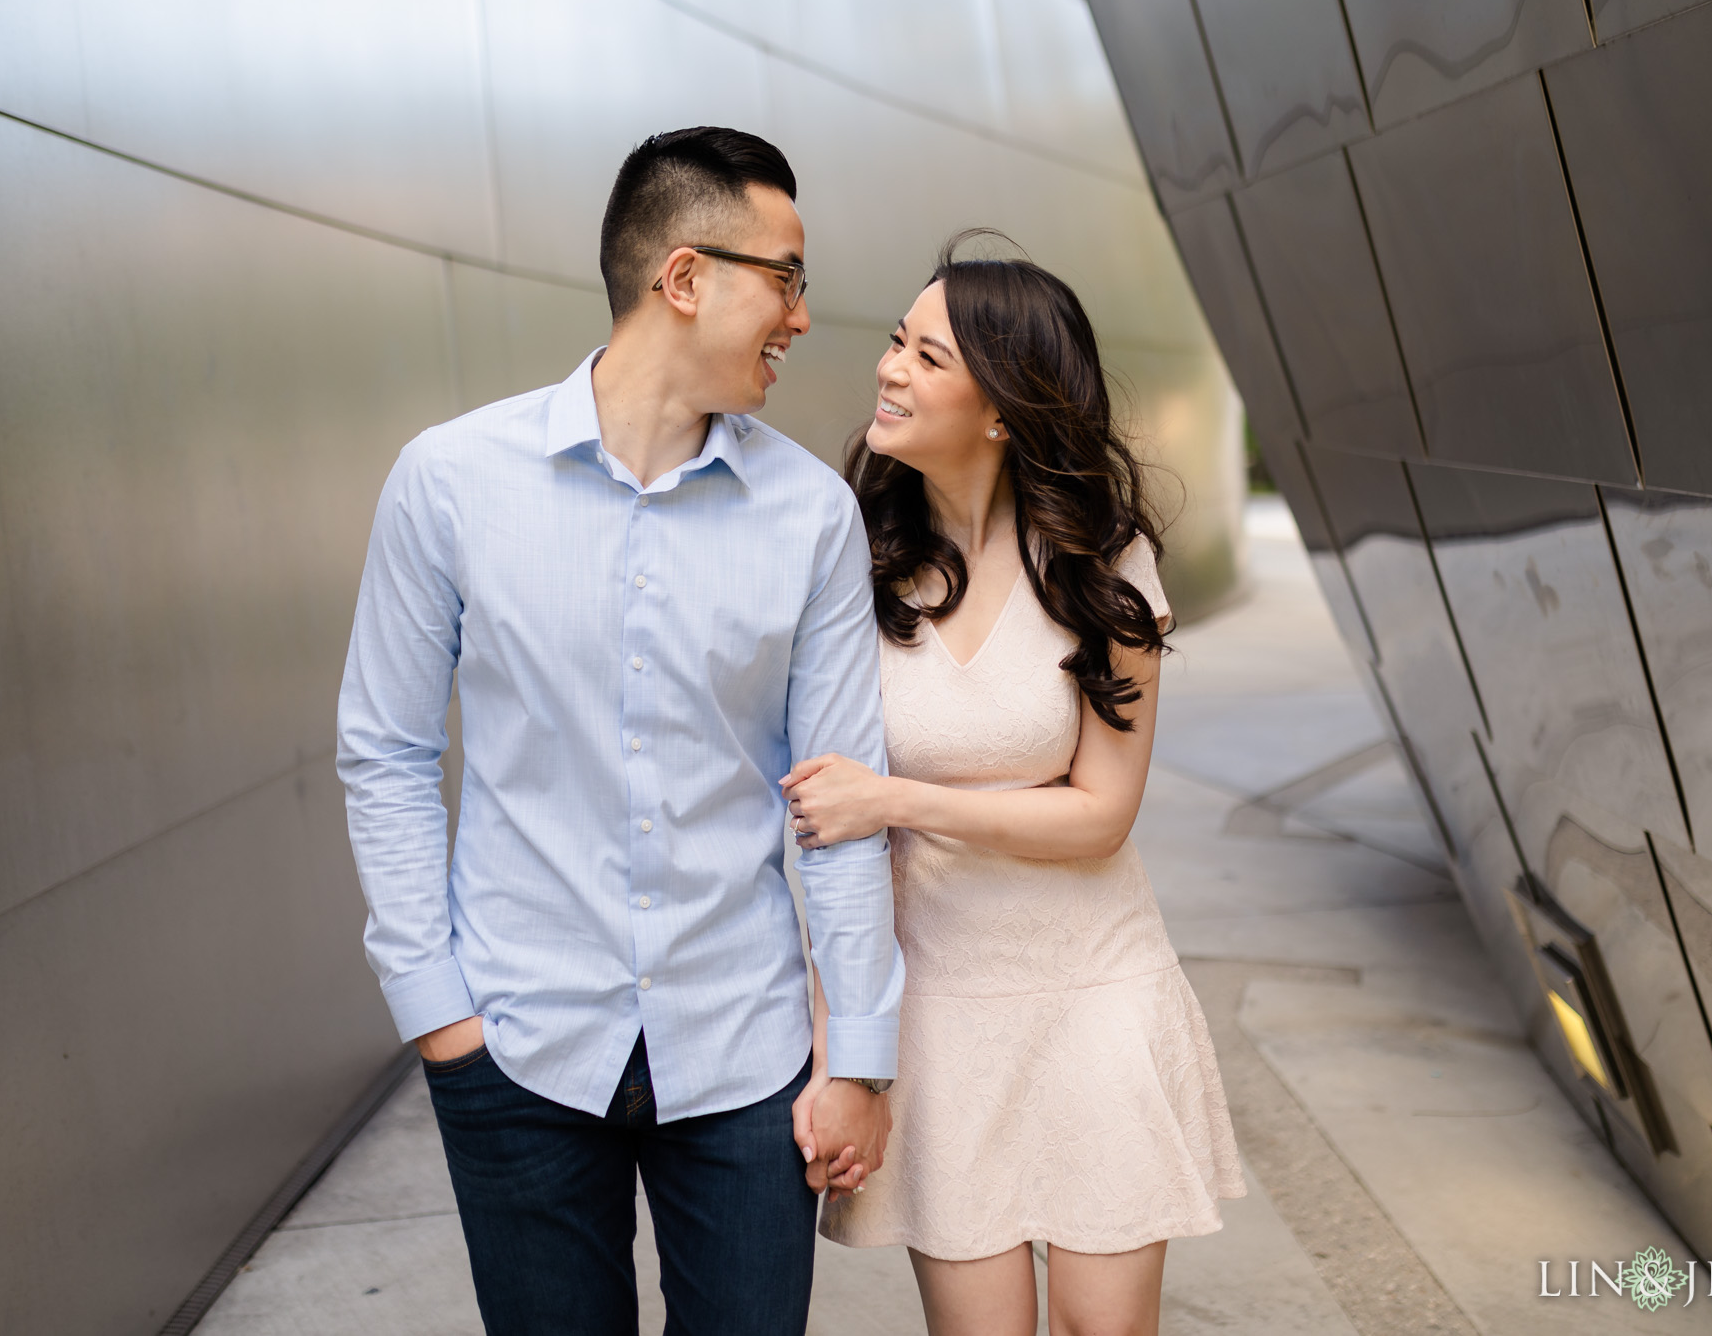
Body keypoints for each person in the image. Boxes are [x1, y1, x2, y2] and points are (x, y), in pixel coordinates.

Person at [335, 126, 902, 1336]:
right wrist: (438, 1013)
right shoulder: (448, 483)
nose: (801, 317)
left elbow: (842, 801)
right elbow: (382, 750)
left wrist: (856, 1054)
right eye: (786, 278)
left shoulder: (810, 516)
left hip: (746, 1055)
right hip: (515, 1044)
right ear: (684, 278)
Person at [781, 238, 1246, 1336]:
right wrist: (834, 1046)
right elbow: (817, 831)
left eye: (927, 356)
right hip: (939, 1008)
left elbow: (1099, 816)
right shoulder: (850, 559)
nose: (890, 368)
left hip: (1095, 990)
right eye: (897, 341)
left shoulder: (1102, 562)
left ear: (1002, 404)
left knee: (1104, 1327)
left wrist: (899, 801)